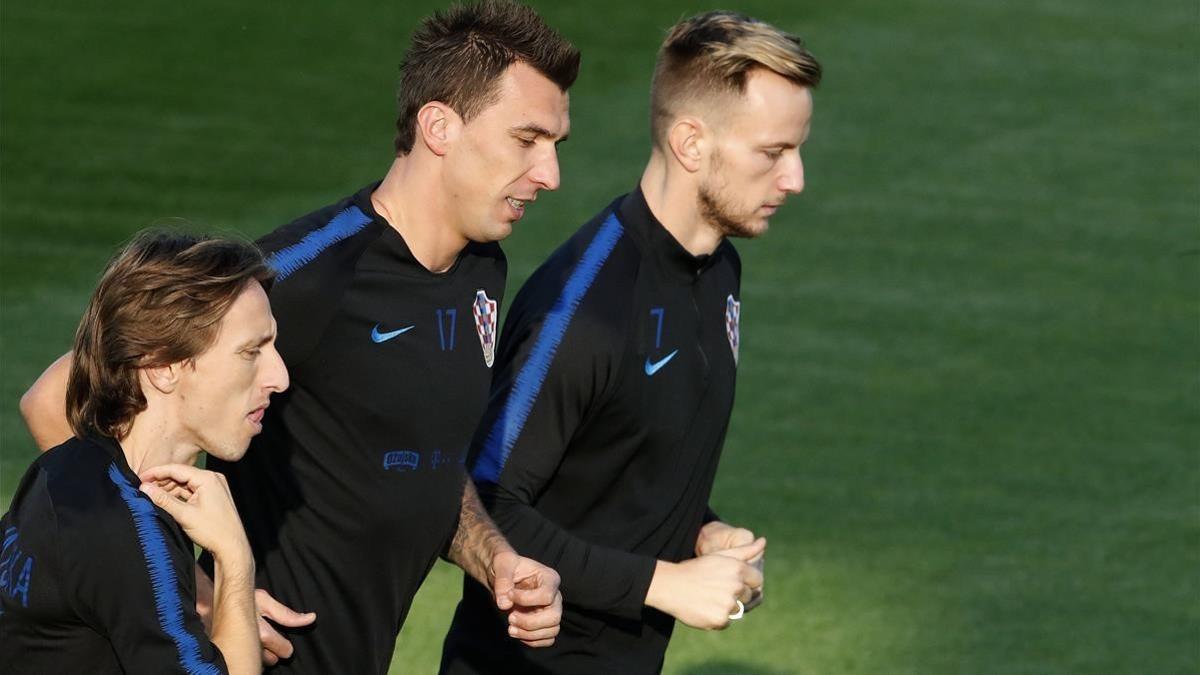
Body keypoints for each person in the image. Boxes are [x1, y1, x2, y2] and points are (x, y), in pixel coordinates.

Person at [18, 2, 578, 673]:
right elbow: (54, 400)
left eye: (555, 146)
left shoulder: (482, 270)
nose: (550, 175)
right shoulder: (311, 270)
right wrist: (204, 590)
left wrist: (497, 560)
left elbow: (421, 457)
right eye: (527, 140)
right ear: (439, 126)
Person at [439, 11, 822, 674]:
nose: (795, 180)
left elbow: (621, 459)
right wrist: (664, 584)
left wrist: (702, 529)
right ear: (691, 144)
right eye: (772, 153)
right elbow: (485, 500)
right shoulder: (583, 309)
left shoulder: (719, 271)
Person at [2, 231, 287, 674]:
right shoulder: (124, 526)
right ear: (164, 368)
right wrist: (235, 559)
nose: (279, 377)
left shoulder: (68, 472)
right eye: (251, 352)